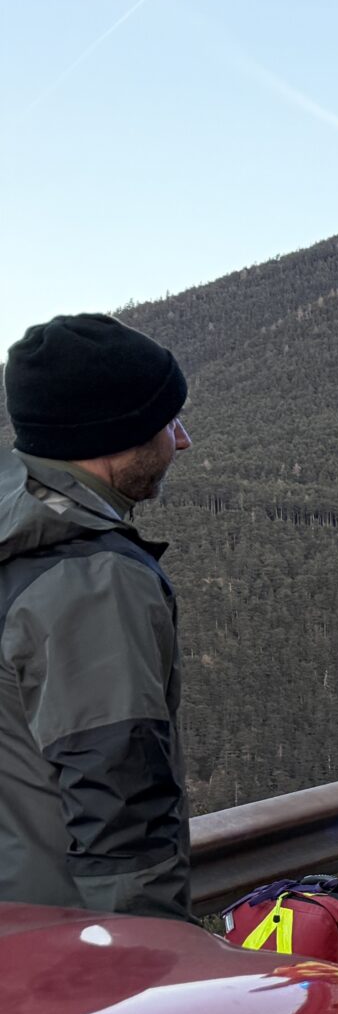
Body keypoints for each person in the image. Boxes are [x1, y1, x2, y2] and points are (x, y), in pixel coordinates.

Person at [0, 314, 192, 919]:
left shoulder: (15, 536)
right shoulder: (92, 579)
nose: (182, 439)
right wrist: (149, 955)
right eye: (167, 421)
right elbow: (121, 811)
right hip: (62, 941)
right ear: (117, 434)